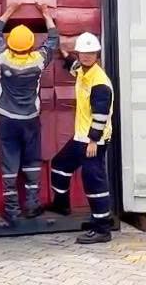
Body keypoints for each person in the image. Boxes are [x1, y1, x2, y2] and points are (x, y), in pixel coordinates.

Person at [0, 2, 59, 225]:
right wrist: (45, 14)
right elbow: (53, 39)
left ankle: (11, 210)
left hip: (6, 118)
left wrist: (11, 9)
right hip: (30, 119)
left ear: (10, 44)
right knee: (31, 160)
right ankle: (31, 204)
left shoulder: (3, 58)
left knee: (9, 164)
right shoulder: (38, 61)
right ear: (31, 46)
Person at [46, 32, 114, 244]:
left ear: (97, 54)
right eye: (83, 53)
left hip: (94, 140)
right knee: (59, 165)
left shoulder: (99, 82)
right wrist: (63, 53)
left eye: (90, 53)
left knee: (94, 181)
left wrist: (94, 140)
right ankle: (62, 204)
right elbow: (73, 65)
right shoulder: (83, 71)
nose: (85, 56)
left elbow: (101, 114)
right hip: (81, 137)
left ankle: (102, 228)